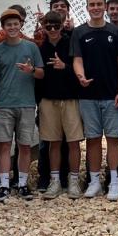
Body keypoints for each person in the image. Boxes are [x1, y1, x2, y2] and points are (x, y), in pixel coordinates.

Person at [71, 0, 118, 200]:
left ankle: (114, 181)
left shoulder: (115, 31)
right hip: (88, 95)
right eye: (91, 4)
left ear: (105, 7)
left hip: (112, 95)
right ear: (87, 7)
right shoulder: (79, 32)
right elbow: (77, 59)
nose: (95, 7)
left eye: (99, 4)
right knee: (93, 139)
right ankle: (94, 181)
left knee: (114, 138)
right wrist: (80, 76)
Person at [0, 8, 44, 200]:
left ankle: (22, 183)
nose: (12, 27)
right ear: (3, 28)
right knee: (4, 145)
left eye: (15, 23)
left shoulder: (31, 48)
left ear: (21, 25)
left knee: (25, 145)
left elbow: (41, 73)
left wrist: (31, 70)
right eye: (8, 24)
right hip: (4, 104)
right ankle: (4, 185)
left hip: (27, 103)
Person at [37, 11, 83, 199]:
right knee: (53, 142)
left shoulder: (71, 43)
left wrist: (65, 67)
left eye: (57, 25)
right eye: (49, 26)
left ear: (63, 24)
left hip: (70, 98)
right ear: (44, 27)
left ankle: (74, 180)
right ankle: (54, 180)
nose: (53, 29)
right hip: (48, 99)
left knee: (73, 141)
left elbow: (80, 69)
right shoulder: (41, 48)